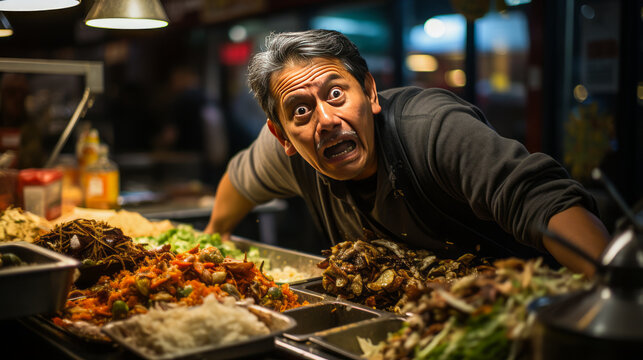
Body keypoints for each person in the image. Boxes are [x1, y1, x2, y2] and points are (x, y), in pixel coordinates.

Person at [204, 29, 609, 277]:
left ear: (370, 91)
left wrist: (613, 288)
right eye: (302, 110)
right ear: (282, 135)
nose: (325, 120)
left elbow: (542, 200)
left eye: (336, 93)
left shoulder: (434, 127)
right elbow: (240, 180)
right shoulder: (287, 152)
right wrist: (211, 237)